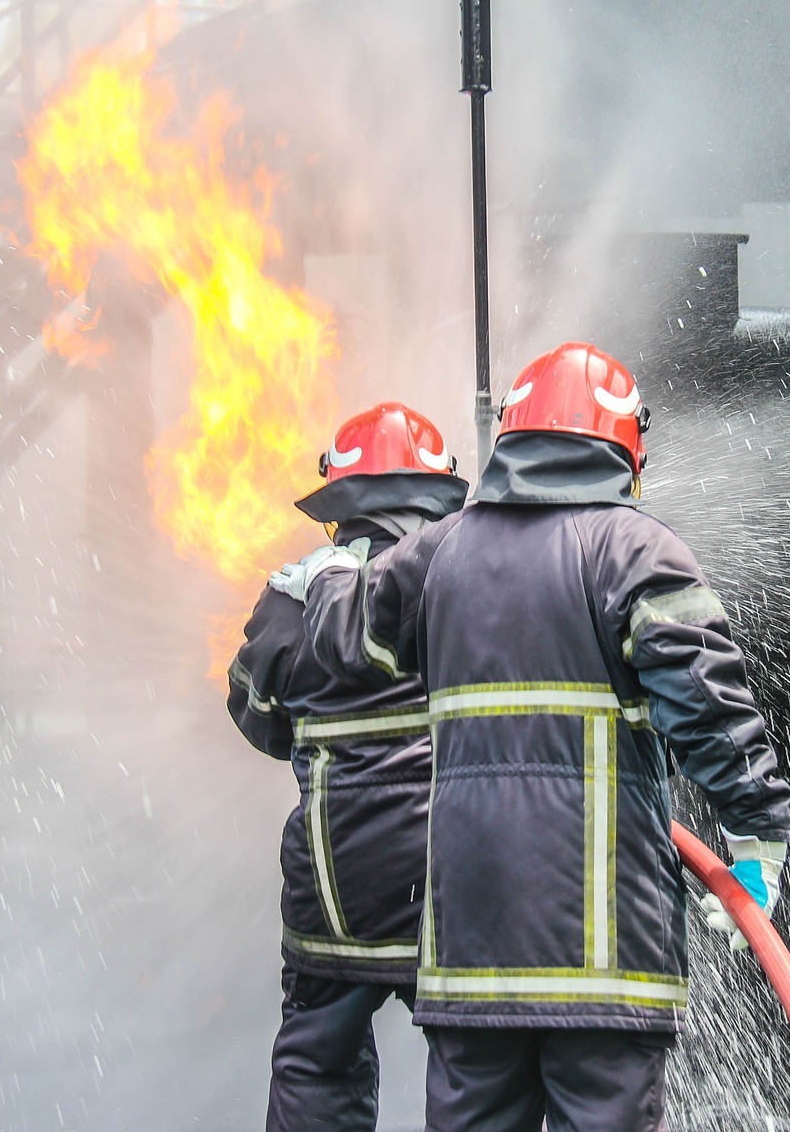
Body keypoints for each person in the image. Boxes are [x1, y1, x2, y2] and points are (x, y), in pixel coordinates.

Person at [271, 341, 790, 1132]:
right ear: (624, 447)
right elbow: (709, 706)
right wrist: (757, 834)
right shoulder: (636, 551)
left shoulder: (442, 552)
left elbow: (347, 644)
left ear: (511, 437)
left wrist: (333, 573)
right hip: (603, 964)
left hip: (471, 964)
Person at [226, 401, 469, 1132]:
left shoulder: (292, 596)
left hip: (334, 884)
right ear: (438, 491)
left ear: (339, 500)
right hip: (453, 881)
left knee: (317, 1062)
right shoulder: (469, 581)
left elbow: (255, 714)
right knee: (476, 1072)